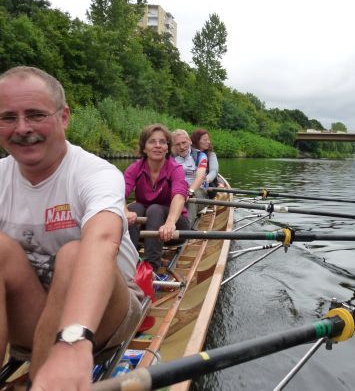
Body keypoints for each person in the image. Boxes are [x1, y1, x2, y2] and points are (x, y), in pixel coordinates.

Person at [0, 66, 142, 390]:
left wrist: (73, 339)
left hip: (105, 316)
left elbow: (103, 239)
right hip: (34, 308)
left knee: (75, 253)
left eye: (35, 115)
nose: (22, 128)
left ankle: (53, 368)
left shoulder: (96, 173)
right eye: (8, 117)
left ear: (63, 117)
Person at [124, 124, 190, 272]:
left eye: (162, 142)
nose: (158, 145)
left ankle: (151, 268)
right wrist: (125, 212)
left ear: (167, 147)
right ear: (144, 147)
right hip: (148, 228)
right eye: (152, 141)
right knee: (133, 208)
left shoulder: (175, 169)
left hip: (174, 228)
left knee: (154, 209)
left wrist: (170, 222)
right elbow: (118, 194)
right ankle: (130, 264)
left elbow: (179, 195)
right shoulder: (134, 169)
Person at [190, 128, 225, 196]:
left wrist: (206, 180)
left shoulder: (211, 154)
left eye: (208, 139)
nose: (208, 142)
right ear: (197, 141)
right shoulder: (188, 153)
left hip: (207, 183)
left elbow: (214, 171)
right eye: (205, 140)